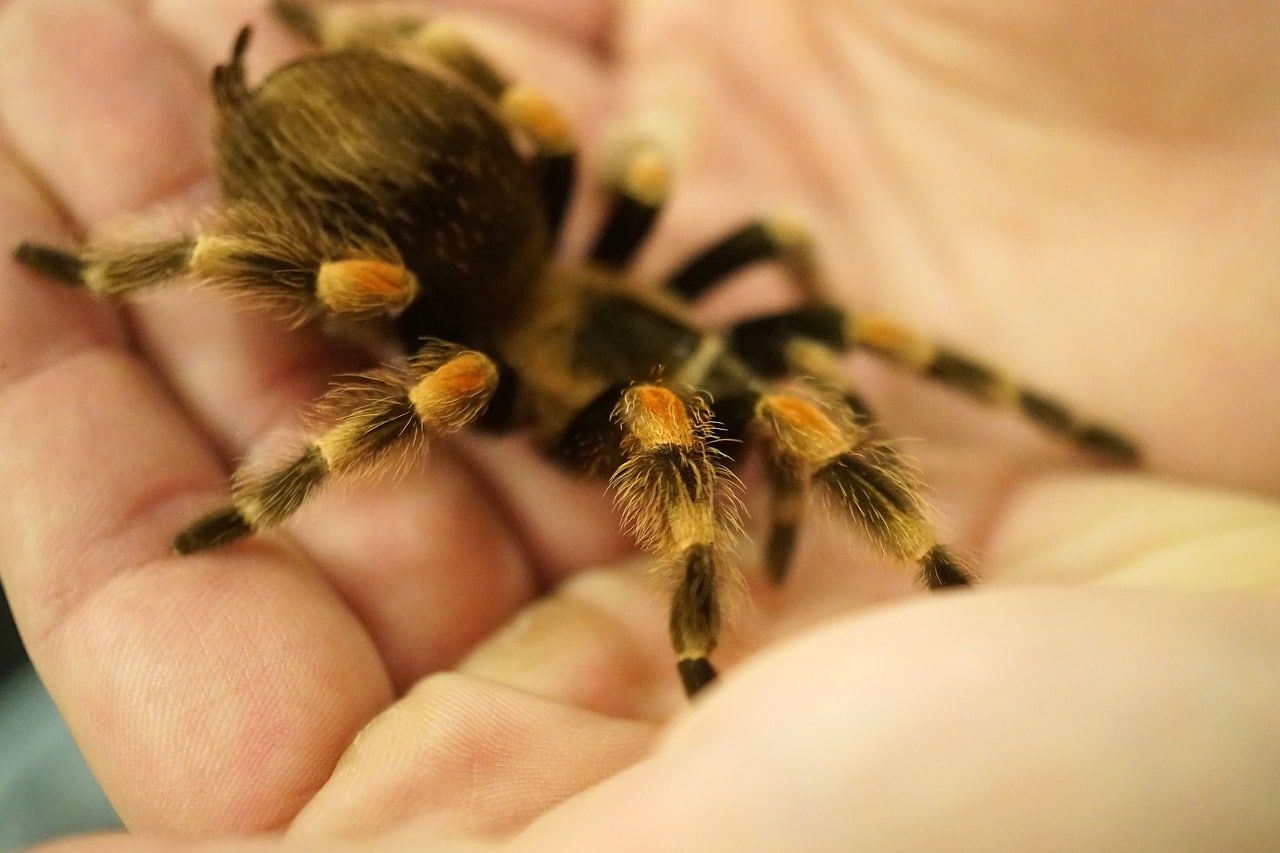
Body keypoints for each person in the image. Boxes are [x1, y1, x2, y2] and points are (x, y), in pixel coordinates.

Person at [2, 0, 1278, 849]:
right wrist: (270, 481)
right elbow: (618, 372)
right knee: (404, 306)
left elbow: (554, 129)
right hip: (418, 242)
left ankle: (949, 552)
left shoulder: (639, 252)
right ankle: (771, 608)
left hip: (478, 212)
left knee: (754, 326)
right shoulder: (555, 364)